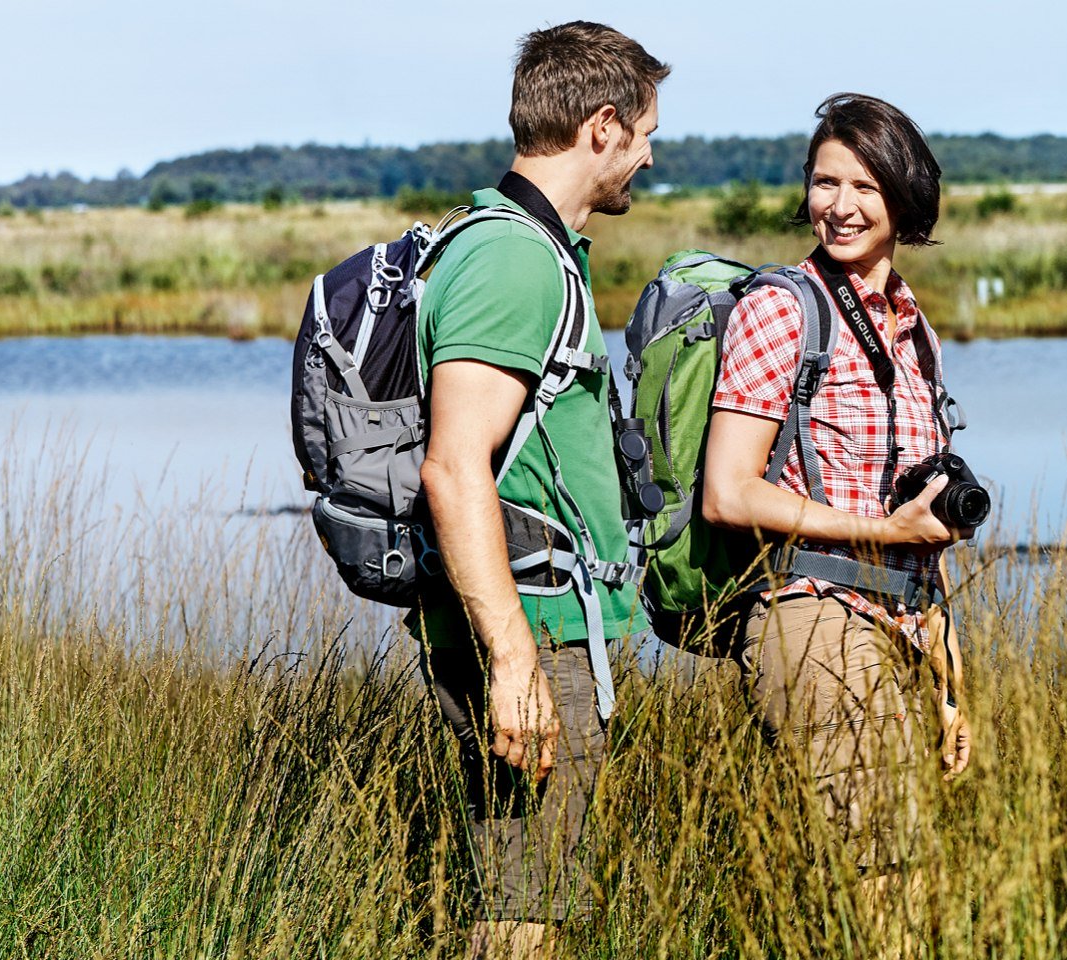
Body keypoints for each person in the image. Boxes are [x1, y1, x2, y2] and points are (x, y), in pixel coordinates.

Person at [412, 21, 666, 959]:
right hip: (538, 633)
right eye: (643, 132)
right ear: (603, 126)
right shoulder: (514, 257)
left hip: (552, 628)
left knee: (534, 901)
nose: (647, 155)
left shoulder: (534, 247)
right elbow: (452, 465)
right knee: (527, 916)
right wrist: (514, 662)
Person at [701, 93, 975, 907]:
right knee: (890, 874)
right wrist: (876, 529)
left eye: (865, 186)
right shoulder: (782, 308)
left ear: (906, 197)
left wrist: (952, 682)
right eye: (825, 183)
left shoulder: (913, 328)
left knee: (896, 870)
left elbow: (924, 523)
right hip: (811, 610)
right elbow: (727, 492)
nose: (840, 206)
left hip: (902, 620)